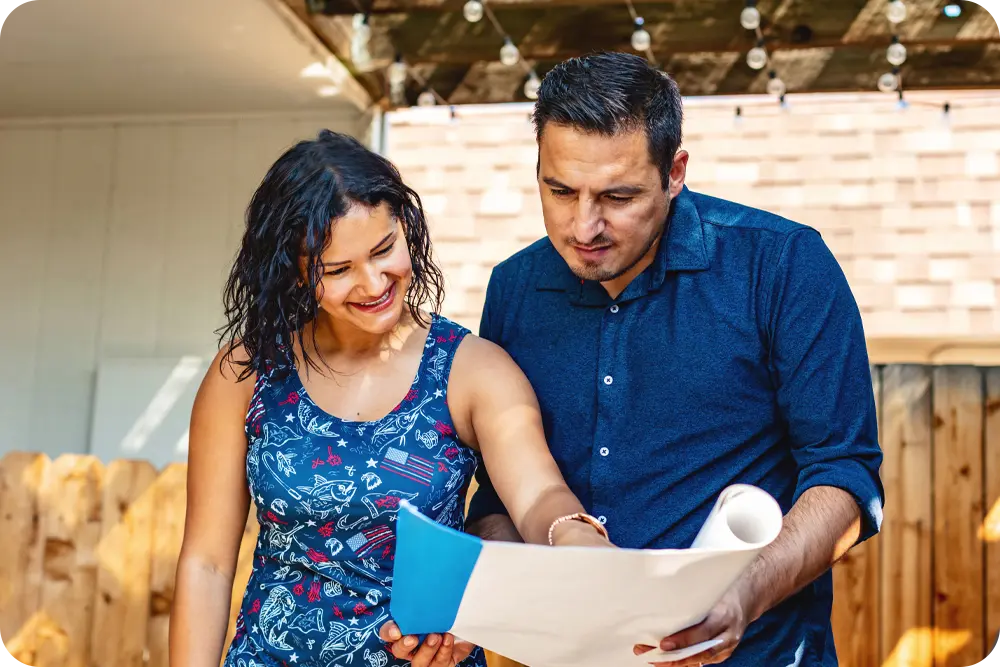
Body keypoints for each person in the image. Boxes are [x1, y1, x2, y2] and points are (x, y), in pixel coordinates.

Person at [386, 51, 885, 666]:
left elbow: (846, 478)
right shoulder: (514, 287)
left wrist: (745, 594)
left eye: (618, 196)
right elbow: (500, 496)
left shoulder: (782, 265)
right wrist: (485, 597)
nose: (583, 226)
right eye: (560, 190)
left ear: (674, 172)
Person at [168, 130, 613, 667]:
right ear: (294, 273)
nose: (373, 282)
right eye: (337, 270)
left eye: (384, 250)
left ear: (407, 228)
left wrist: (574, 540)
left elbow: (539, 495)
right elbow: (208, 564)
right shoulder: (246, 373)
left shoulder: (471, 370)